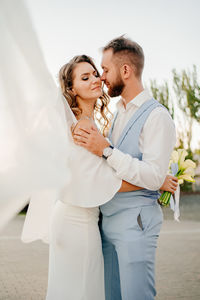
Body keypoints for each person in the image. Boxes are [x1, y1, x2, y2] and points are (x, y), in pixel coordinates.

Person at [45, 55, 177, 300]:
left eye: (96, 73)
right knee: (83, 291)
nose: (96, 79)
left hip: (78, 219)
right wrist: (155, 182)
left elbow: (104, 172)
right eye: (85, 78)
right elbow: (104, 182)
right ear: (72, 89)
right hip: (78, 223)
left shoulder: (90, 123)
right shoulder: (82, 127)